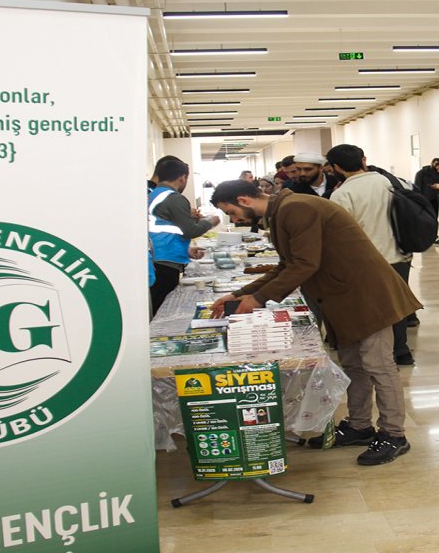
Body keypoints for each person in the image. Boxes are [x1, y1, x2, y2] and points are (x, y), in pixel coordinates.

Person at [208, 180, 421, 465]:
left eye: (231, 212)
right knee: (354, 365)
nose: (234, 219)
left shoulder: (296, 207)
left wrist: (258, 299)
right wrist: (241, 294)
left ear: (244, 200)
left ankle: (394, 435)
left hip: (368, 295)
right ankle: (359, 426)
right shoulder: (283, 211)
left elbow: (305, 264)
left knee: (378, 366)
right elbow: (287, 265)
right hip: (341, 297)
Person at [327, 144, 421, 365]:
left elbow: (339, 235)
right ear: (363, 160)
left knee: (374, 309)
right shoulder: (388, 182)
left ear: (336, 167)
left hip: (366, 261)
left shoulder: (342, 194)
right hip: (399, 255)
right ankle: (401, 351)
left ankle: (379, 355)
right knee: (396, 305)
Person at [148, 158, 220, 317]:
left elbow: (164, 228)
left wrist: (185, 249)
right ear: (182, 177)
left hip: (158, 256)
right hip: (165, 261)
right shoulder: (174, 197)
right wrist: (210, 221)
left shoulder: (155, 194)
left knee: (158, 304)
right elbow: (190, 231)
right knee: (163, 308)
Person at [413, 157, 439, 227]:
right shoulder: (421, 173)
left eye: (438, 164)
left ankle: (434, 233)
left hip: (435, 199)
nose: (436, 166)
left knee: (434, 216)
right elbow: (417, 186)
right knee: (425, 216)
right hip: (425, 199)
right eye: (435, 164)